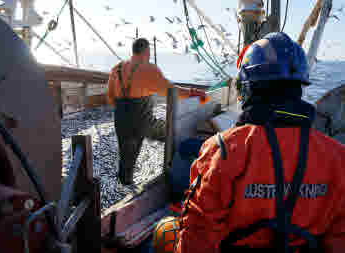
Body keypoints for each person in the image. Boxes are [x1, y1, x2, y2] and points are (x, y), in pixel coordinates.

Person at [174, 32, 345, 253]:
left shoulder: (224, 149)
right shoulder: (338, 157)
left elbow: (197, 235)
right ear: (299, 87)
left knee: (165, 230)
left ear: (248, 87)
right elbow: (339, 236)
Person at [107, 38, 207, 185]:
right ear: (147, 52)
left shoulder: (117, 68)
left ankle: (125, 183)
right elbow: (171, 91)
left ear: (133, 50)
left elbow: (110, 97)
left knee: (126, 155)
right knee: (171, 134)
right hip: (142, 121)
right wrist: (193, 92)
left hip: (120, 119)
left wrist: (125, 109)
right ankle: (176, 173)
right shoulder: (148, 68)